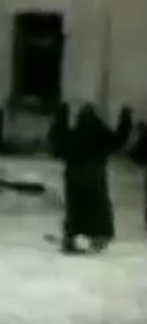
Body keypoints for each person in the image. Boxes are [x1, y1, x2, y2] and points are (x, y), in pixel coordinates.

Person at [60, 104, 119, 254]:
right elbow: (118, 141)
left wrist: (61, 116)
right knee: (97, 207)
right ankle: (99, 235)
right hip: (94, 175)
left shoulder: (74, 134)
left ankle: (73, 235)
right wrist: (126, 120)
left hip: (74, 176)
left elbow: (59, 146)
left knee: (76, 209)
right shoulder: (101, 133)